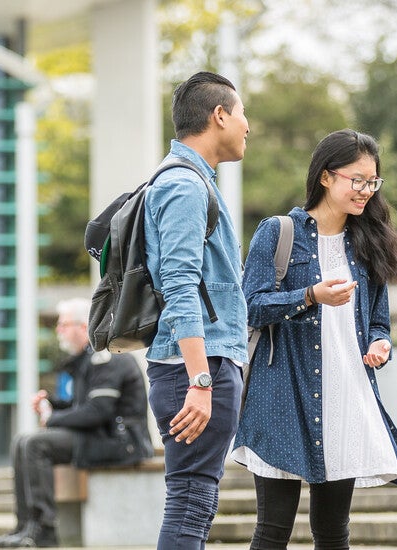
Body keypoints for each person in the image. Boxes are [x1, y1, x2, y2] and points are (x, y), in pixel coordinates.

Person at [234, 129, 397, 549]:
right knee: (273, 529)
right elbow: (250, 307)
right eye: (358, 180)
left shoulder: (368, 242)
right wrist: (309, 296)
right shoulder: (278, 232)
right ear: (325, 176)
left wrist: (380, 344)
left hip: (346, 398)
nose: (366, 191)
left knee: (334, 532)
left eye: (373, 182)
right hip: (282, 394)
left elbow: (378, 321)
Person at [142, 70, 250, 549]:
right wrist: (200, 379)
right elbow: (180, 286)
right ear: (220, 115)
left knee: (195, 507)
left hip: (197, 364)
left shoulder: (189, 182)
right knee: (189, 506)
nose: (248, 126)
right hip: (196, 369)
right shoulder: (185, 186)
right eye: (243, 113)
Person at [0, 298, 152, 548]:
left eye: (63, 325)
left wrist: (52, 417)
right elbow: (81, 407)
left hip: (120, 442)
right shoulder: (87, 359)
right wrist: (53, 404)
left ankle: (44, 530)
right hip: (100, 436)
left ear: (83, 326)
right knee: (21, 440)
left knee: (35, 443)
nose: (58, 331)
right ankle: (25, 526)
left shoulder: (109, 356)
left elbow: (97, 411)